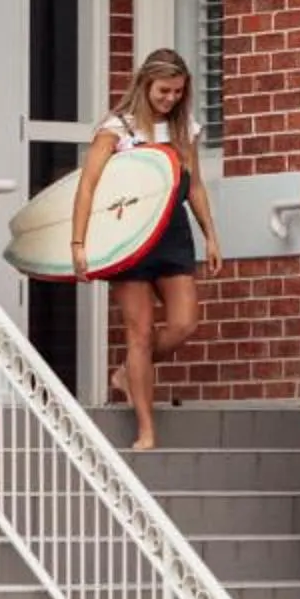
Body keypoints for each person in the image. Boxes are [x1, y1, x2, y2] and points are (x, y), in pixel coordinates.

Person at [73, 48, 222, 452]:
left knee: (184, 323)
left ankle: (128, 373)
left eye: (178, 91)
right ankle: (146, 429)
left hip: (172, 234)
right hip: (129, 237)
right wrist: (78, 243)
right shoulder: (116, 129)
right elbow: (88, 187)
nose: (171, 98)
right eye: (163, 91)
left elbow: (194, 185)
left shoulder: (183, 128)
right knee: (138, 333)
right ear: (144, 84)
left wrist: (210, 234)